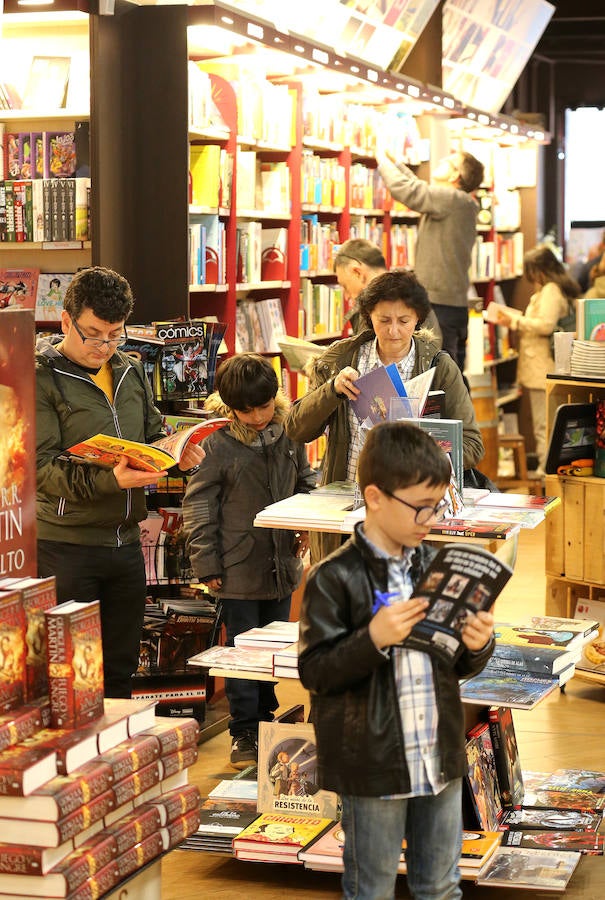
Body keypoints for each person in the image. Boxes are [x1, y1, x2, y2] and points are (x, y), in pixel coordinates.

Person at [298, 421, 495, 900]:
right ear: (375, 497)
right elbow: (316, 672)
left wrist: (477, 643)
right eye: (420, 507)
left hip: (438, 756)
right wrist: (374, 639)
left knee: (442, 886)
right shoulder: (333, 578)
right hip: (373, 766)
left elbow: (456, 668)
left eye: (437, 506)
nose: (430, 519)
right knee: (372, 887)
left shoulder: (434, 566)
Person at [35, 266, 205, 699]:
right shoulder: (40, 376)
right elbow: (40, 469)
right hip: (66, 547)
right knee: (70, 672)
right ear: (66, 321)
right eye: (93, 334)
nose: (104, 346)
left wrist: (177, 454)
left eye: (115, 335)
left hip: (126, 544)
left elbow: (151, 435)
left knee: (121, 668)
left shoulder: (129, 369)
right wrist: (113, 480)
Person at [285, 269, 484, 561]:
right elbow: (296, 429)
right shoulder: (340, 360)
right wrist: (332, 391)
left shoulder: (439, 367)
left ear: (418, 318)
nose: (393, 331)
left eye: (403, 321)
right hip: (348, 510)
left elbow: (472, 445)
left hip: (412, 512)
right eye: (383, 320)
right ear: (368, 316)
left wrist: (426, 455)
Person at [183, 353, 316, 769]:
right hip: (236, 567)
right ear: (229, 406)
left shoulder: (290, 433)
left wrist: (309, 521)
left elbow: (305, 482)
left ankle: (266, 718)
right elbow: (199, 507)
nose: (258, 417)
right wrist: (206, 563)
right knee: (242, 650)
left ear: (275, 398)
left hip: (282, 566)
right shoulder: (216, 444)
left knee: (273, 648)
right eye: (246, 409)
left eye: (264, 406)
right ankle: (244, 730)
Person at [376, 147, 485, 371]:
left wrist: (380, 158)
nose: (442, 158)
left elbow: (408, 191)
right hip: (449, 303)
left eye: (450, 160)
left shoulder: (453, 199)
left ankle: (453, 408)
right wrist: (397, 164)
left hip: (439, 304)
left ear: (455, 176)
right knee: (449, 372)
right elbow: (418, 187)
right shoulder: (457, 202)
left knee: (441, 375)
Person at [495, 245, 581, 477]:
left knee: (544, 423)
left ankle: (547, 470)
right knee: (546, 422)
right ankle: (548, 467)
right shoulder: (552, 289)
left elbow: (545, 325)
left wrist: (515, 321)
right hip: (540, 365)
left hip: (542, 366)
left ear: (540, 270)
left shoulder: (551, 290)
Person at [334, 237, 442, 341]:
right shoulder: (411, 294)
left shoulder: (378, 305)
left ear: (358, 273)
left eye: (345, 286)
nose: (346, 296)